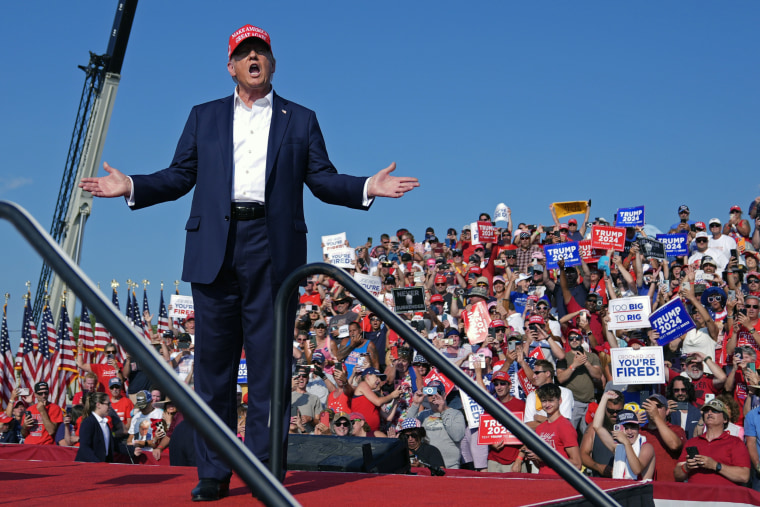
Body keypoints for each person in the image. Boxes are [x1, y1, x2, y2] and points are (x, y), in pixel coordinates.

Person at [79, 23, 418, 500]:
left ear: (273, 63)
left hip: (273, 247)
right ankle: (213, 473)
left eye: (261, 52)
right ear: (231, 66)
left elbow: (321, 179)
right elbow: (179, 176)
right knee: (213, 371)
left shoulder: (300, 119)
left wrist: (367, 187)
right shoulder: (204, 116)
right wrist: (131, 185)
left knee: (270, 369)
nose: (254, 59)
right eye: (245, 53)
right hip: (215, 245)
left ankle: (263, 472)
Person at [674, 399, 751, 486]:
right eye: (706, 411)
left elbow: (744, 476)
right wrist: (686, 467)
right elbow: (677, 475)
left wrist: (715, 465)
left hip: (723, 497)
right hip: (696, 497)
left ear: (725, 419)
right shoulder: (692, 442)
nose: (709, 413)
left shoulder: (735, 442)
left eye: (715, 411)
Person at [518, 383, 581, 475]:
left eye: (551, 400)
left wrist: (544, 457)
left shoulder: (565, 426)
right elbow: (542, 465)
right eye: (544, 401)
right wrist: (534, 457)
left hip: (560, 482)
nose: (547, 404)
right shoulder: (540, 428)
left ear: (560, 400)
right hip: (544, 480)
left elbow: (577, 464)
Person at [592, 394, 655, 480]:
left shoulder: (646, 447)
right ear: (620, 429)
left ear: (638, 428)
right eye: (625, 428)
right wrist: (604, 398)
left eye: (633, 427)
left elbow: (636, 470)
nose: (629, 432)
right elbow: (597, 426)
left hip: (640, 492)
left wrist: (626, 442)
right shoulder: (618, 447)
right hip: (622, 490)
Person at [406, 381, 466, 469]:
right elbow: (408, 429)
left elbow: (457, 436)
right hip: (427, 465)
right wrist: (415, 403)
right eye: (430, 393)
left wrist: (442, 411)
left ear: (444, 395)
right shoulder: (423, 415)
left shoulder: (456, 414)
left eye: (438, 392)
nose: (434, 396)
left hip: (450, 466)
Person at [76, 392, 115, 463]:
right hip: (88, 466)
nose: (110, 406)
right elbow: (85, 448)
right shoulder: (88, 422)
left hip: (102, 465)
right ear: (98, 405)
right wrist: (97, 463)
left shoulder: (105, 423)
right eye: (108, 404)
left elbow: (112, 444)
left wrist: (133, 450)